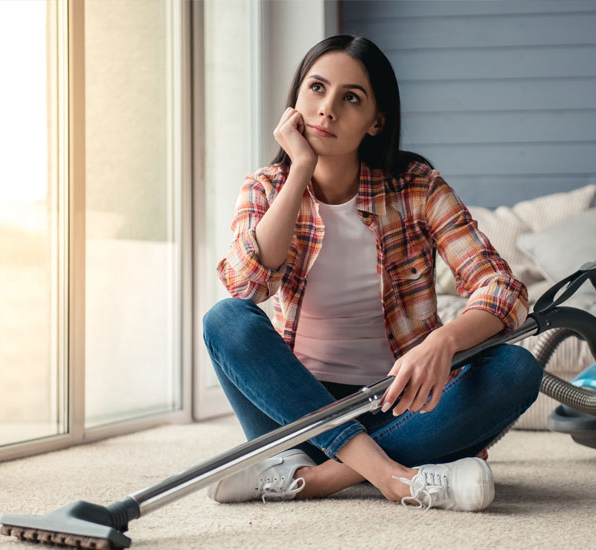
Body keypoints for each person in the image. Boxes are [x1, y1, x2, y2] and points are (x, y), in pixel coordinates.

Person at [202, 35, 542, 512]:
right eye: (316, 89)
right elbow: (246, 285)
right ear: (295, 100)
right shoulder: (265, 186)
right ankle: (395, 476)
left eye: (351, 98)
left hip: (396, 402)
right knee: (225, 319)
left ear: (376, 121)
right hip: (295, 409)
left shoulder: (416, 186)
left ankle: (311, 479)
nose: (327, 110)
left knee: (517, 369)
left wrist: (440, 343)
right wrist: (300, 168)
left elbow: (503, 288)